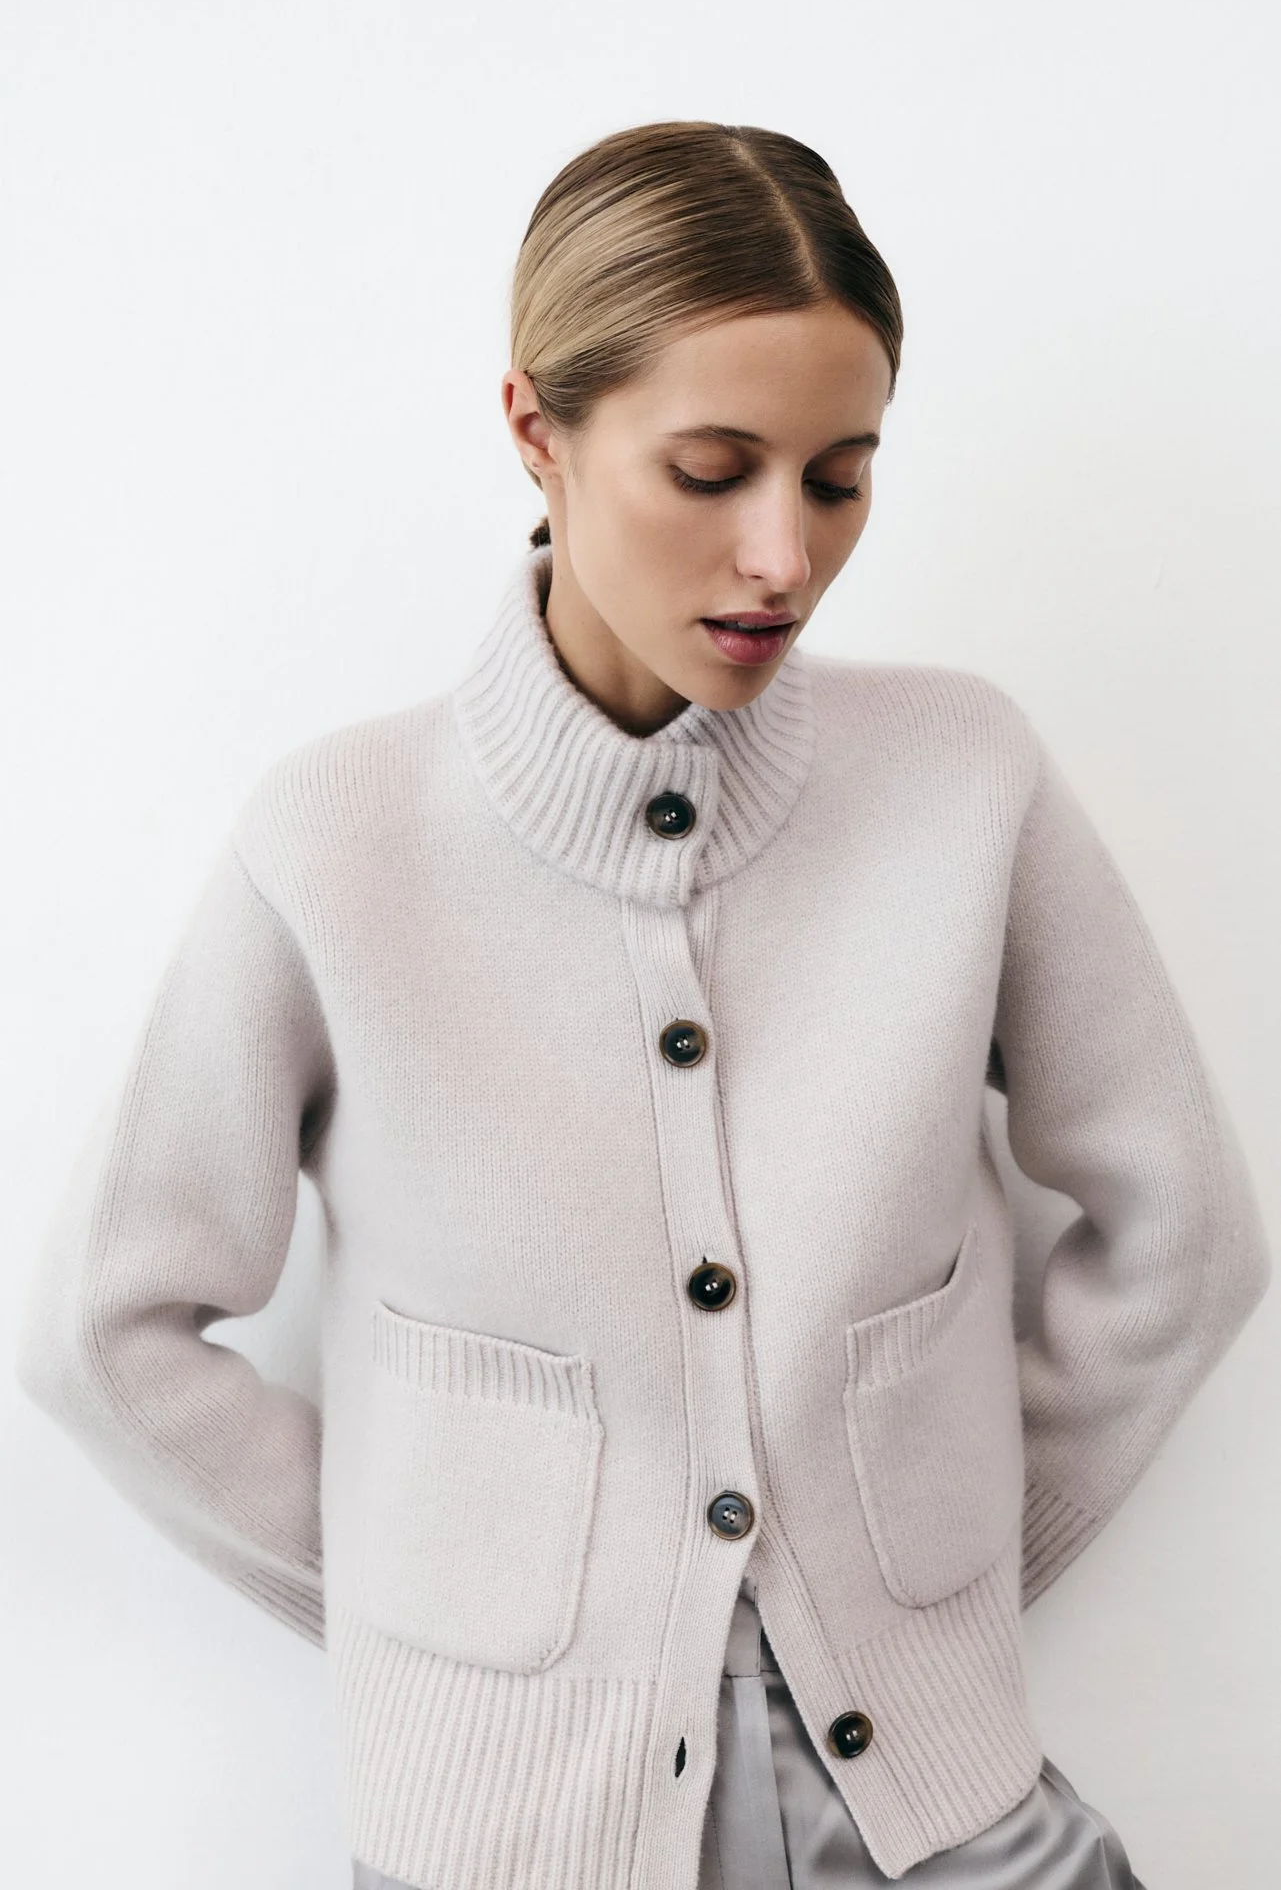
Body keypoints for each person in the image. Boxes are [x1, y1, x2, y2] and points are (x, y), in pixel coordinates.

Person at [17, 120, 1270, 1890]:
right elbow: (103, 1332)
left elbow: (1187, 1234)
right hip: (511, 1842)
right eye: (711, 470)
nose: (782, 556)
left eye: (838, 480)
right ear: (537, 430)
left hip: (938, 1803)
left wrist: (952, 1569)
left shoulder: (961, 778)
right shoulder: (337, 843)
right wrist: (457, 1627)